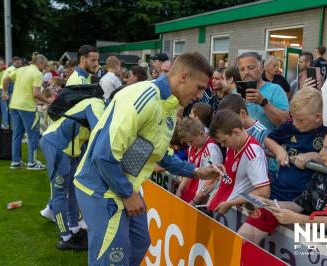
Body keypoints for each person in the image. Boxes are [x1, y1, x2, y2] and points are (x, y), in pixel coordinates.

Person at [73, 52, 221, 265]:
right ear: (183, 77)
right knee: (112, 259)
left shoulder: (169, 107)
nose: (200, 96)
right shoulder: (143, 96)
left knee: (139, 243)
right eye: (199, 88)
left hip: (124, 186)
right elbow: (103, 155)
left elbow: (162, 154)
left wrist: (196, 172)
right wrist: (127, 194)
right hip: (101, 189)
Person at [240, 127, 327, 244]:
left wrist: (296, 219)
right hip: (309, 236)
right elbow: (299, 204)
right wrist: (267, 203)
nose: (321, 153)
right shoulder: (322, 171)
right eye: (323, 146)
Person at [242, 87, 327, 242]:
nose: (294, 123)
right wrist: (279, 150)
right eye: (292, 117)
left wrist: (314, 156)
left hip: (309, 200)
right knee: (245, 234)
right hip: (282, 192)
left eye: (300, 120)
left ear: (317, 117)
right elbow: (269, 139)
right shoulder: (290, 124)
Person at [40, 97, 105, 250]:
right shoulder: (96, 104)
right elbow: (100, 133)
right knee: (60, 193)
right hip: (56, 146)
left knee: (72, 188)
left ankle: (74, 227)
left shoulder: (100, 106)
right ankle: (65, 236)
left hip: (69, 149)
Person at [207, 109, 270, 214]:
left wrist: (231, 203)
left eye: (224, 141)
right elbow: (231, 181)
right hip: (220, 210)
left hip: (236, 214)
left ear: (236, 132)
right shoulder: (232, 146)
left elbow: (264, 192)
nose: (222, 145)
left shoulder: (253, 152)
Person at [2, 54, 51, 170]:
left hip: (14, 105)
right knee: (33, 134)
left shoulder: (21, 69)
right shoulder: (38, 74)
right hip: (27, 107)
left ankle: (15, 162)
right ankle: (32, 163)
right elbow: (36, 93)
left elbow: (5, 79)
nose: (45, 66)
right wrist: (48, 101)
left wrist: (4, 92)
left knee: (17, 134)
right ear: (39, 63)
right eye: (45, 64)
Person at [237, 52, 289, 130]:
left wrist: (263, 102)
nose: (246, 72)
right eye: (242, 69)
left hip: (266, 141)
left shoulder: (275, 89)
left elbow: (285, 122)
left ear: (261, 68)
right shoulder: (236, 92)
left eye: (251, 67)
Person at [176, 117, 223, 205]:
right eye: (187, 142)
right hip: (189, 195)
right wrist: (180, 190)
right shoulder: (192, 147)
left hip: (200, 201)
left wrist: (196, 200)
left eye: (191, 141)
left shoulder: (212, 150)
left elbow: (212, 178)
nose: (189, 145)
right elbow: (189, 171)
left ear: (201, 134)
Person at [0, 56, 23, 129]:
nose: (21, 64)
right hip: (6, 90)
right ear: (15, 62)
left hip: (4, 90)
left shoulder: (11, 68)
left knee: (7, 109)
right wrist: (7, 92)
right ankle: (6, 125)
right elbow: (9, 82)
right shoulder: (12, 69)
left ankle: (7, 125)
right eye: (20, 62)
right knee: (7, 109)